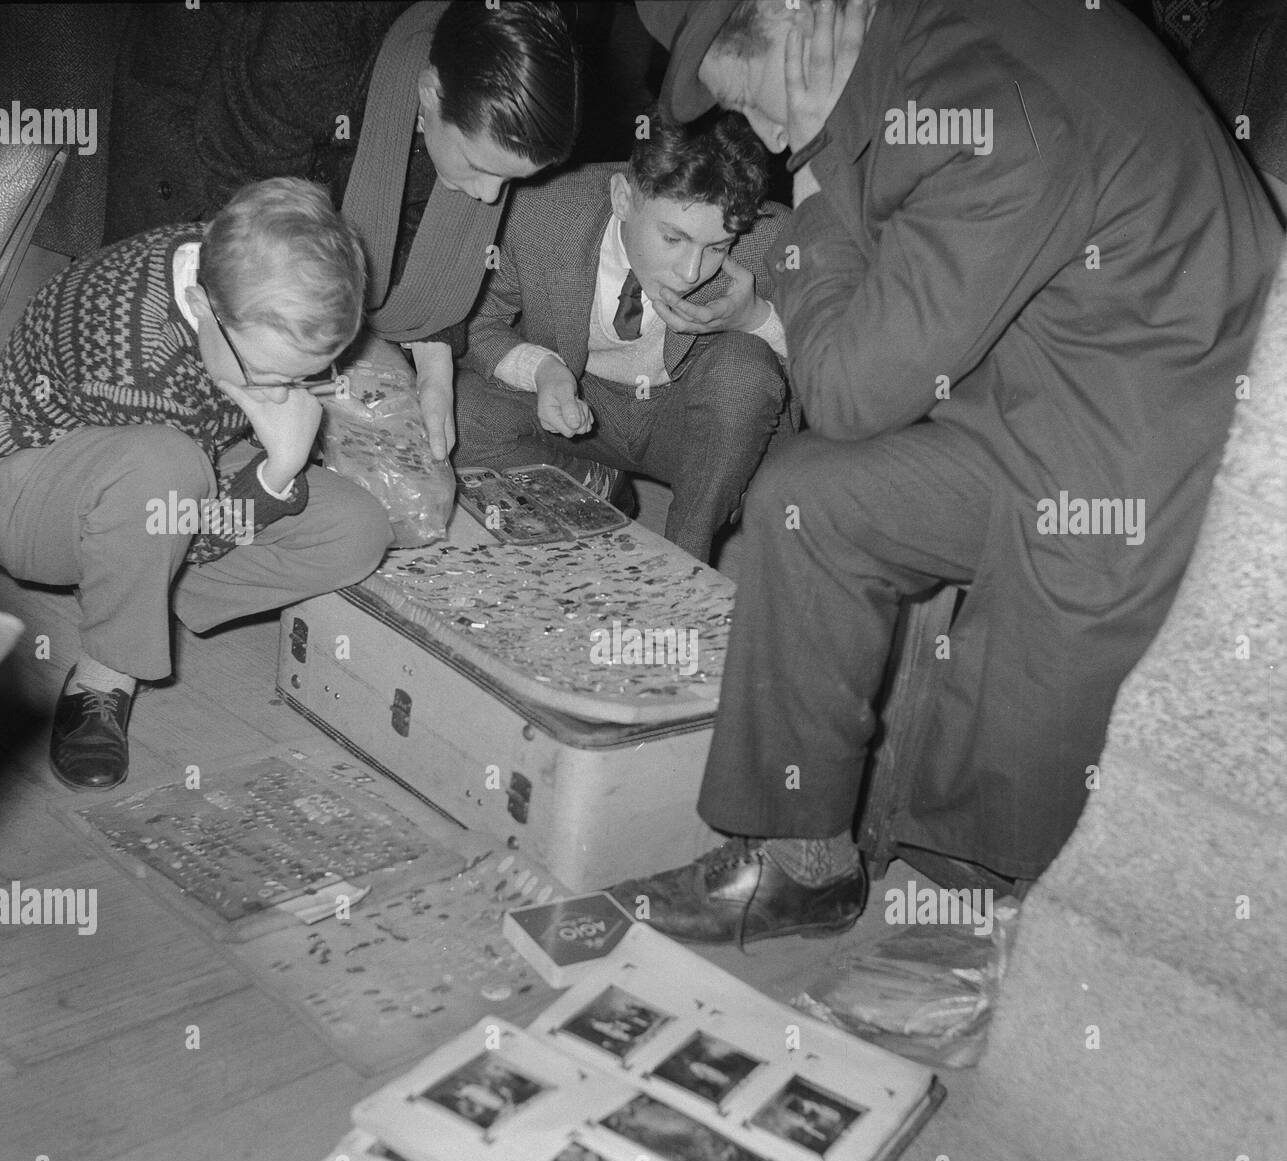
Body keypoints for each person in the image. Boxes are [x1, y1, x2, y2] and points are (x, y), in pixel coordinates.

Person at [616, 0, 1282, 946]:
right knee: (813, 500)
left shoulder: (984, 104)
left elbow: (846, 385)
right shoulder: (917, 46)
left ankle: (960, 917)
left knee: (1033, 645)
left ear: (798, 15)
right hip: (1041, 390)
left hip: (1167, 441)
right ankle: (800, 862)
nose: (759, 141)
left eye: (757, 108)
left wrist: (810, 187)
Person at [0, 177, 391, 791]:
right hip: (32, 491)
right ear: (202, 304)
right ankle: (106, 676)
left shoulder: (224, 265)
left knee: (357, 530)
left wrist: (277, 453)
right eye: (262, 372)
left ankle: (141, 597)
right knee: (167, 466)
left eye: (304, 376)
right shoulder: (137, 353)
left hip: (164, 464)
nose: (275, 391)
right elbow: (177, 519)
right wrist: (276, 472)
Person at [453, 106, 791, 561]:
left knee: (744, 375)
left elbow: (836, 370)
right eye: (673, 238)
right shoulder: (539, 214)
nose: (691, 271)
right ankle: (596, 484)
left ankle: (687, 556)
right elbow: (475, 322)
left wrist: (755, 318)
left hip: (688, 424)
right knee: (462, 415)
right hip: (580, 403)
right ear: (622, 198)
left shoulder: (771, 238)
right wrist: (543, 370)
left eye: (717, 248)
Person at [340, 0, 581, 461]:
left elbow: (421, 237)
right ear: (429, 93)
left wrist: (435, 374)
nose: (489, 198)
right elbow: (258, 224)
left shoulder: (467, 116)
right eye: (477, 166)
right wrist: (342, 349)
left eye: (508, 180)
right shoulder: (321, 53)